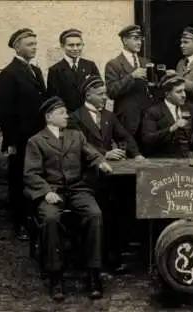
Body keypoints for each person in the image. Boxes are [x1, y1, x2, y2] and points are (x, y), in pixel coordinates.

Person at [24, 96, 113, 301]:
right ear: (49, 117)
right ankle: (56, 276)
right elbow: (30, 174)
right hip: (51, 191)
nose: (66, 116)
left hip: (77, 189)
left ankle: (93, 274)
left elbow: (91, 154)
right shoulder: (36, 141)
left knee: (94, 214)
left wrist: (100, 162)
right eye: (61, 113)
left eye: (65, 112)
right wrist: (46, 192)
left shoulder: (76, 135)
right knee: (51, 219)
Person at [68, 75, 145, 273]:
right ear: (88, 94)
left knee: (119, 208)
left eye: (105, 94)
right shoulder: (75, 117)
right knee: (100, 212)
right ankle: (95, 258)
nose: (105, 98)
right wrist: (104, 154)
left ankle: (114, 256)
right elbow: (78, 147)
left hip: (109, 177)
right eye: (101, 94)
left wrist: (136, 155)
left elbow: (125, 136)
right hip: (87, 177)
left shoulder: (109, 116)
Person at [0, 28, 48, 241]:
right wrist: (11, 141)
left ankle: (36, 218)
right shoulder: (8, 74)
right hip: (21, 139)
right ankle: (20, 224)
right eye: (29, 44)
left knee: (37, 177)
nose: (34, 47)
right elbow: (3, 113)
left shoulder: (35, 71)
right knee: (19, 180)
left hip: (38, 137)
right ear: (17, 47)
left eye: (35, 43)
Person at [141, 72, 193, 158]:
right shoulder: (153, 112)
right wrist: (172, 128)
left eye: (184, 90)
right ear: (167, 94)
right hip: (165, 163)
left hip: (191, 161)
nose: (184, 95)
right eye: (179, 92)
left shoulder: (192, 110)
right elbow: (147, 139)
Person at [105, 25, 152, 148]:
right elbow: (111, 91)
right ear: (125, 41)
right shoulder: (113, 64)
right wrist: (131, 76)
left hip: (147, 118)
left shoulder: (146, 62)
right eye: (135, 38)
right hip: (126, 118)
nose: (139, 42)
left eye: (140, 39)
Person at [47, 28, 100, 112]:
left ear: (83, 45)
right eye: (71, 45)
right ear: (62, 46)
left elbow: (98, 91)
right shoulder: (55, 70)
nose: (75, 48)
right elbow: (54, 99)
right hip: (69, 117)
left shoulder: (90, 66)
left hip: (89, 114)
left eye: (78, 45)